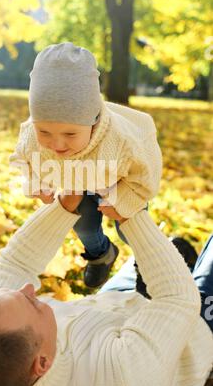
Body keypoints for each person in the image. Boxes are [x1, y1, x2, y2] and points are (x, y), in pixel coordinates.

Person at [0, 194, 213, 386]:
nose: (28, 289)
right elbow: (178, 298)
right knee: (172, 265)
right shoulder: (124, 382)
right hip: (189, 330)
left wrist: (64, 205)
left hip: (111, 307)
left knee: (166, 249)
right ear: (42, 363)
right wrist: (133, 218)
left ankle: (174, 259)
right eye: (34, 304)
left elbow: (14, 264)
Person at [10, 42, 162, 288]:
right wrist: (36, 181)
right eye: (44, 131)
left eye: (70, 134)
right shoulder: (30, 136)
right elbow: (22, 159)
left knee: (130, 227)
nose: (57, 143)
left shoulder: (122, 140)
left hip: (119, 182)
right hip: (77, 183)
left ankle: (145, 262)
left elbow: (146, 174)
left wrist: (124, 200)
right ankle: (102, 255)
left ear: (92, 121)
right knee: (83, 226)